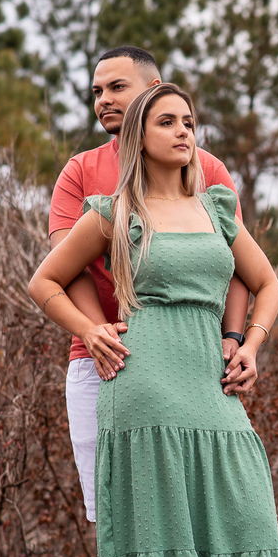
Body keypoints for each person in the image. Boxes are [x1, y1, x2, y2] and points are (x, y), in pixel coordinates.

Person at [28, 83, 278, 557]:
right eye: (167, 122)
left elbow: (266, 283)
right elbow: (45, 280)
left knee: (246, 515)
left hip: (210, 378)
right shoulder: (111, 213)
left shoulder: (216, 207)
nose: (184, 132)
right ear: (139, 136)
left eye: (188, 121)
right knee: (163, 526)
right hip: (143, 383)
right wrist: (90, 330)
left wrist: (251, 346)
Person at [48, 46, 254, 523]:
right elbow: (67, 266)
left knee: (207, 510)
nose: (103, 100)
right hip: (100, 361)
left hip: (194, 360)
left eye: (117, 87)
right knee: (118, 514)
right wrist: (98, 334)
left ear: (153, 91)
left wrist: (233, 338)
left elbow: (238, 266)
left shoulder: (207, 170)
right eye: (96, 91)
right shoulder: (80, 171)